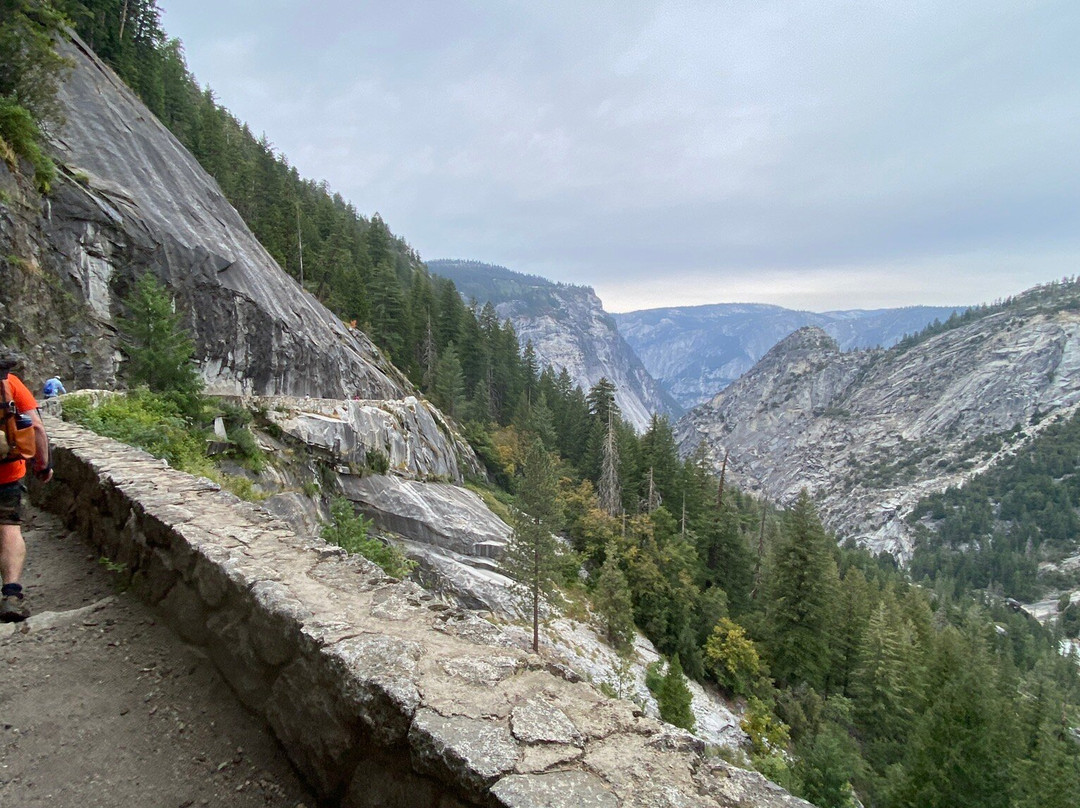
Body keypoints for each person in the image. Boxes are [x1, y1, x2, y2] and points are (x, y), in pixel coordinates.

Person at [0, 355, 53, 622]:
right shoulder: (9, 384)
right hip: (7, 472)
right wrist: (43, 465)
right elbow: (37, 428)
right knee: (9, 527)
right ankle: (11, 594)